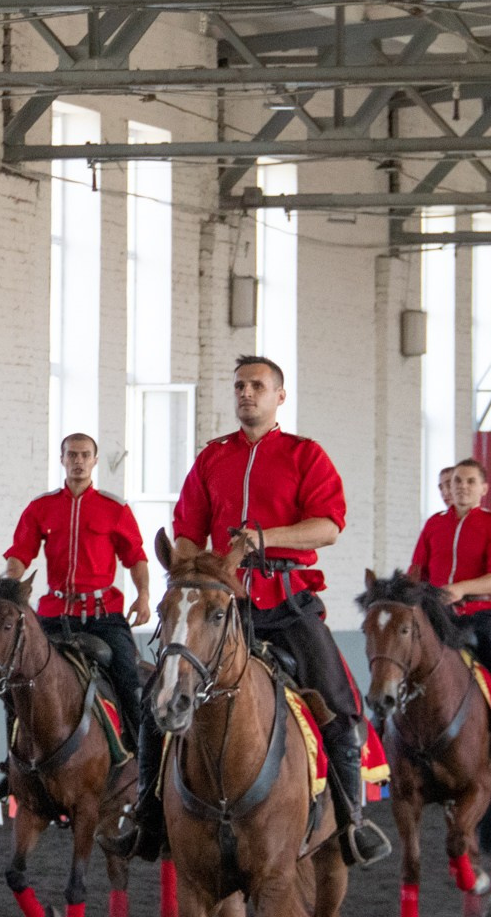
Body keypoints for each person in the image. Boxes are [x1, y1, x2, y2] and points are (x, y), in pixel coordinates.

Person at [108, 355, 391, 868]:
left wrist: (264, 538)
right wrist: (195, 568)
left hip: (287, 604)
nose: (246, 393)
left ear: (279, 396)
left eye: (257, 386)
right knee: (158, 698)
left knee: (338, 702)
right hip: (222, 606)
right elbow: (189, 528)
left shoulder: (306, 456)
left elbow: (328, 526)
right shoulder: (213, 457)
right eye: (240, 386)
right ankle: (149, 817)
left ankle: (352, 820)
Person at [0, 433, 151, 750]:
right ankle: (14, 759)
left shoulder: (115, 509)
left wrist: (144, 595)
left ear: (95, 461)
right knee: (15, 679)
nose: (78, 461)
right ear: (62, 459)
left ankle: (139, 757)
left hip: (104, 615)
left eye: (84, 455)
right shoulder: (42, 507)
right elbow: (20, 553)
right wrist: (10, 582)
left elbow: (135, 557)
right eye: (72, 455)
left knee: (128, 679)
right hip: (55, 615)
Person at [408, 458, 491, 775]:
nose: (462, 487)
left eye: (469, 482)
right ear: (448, 487)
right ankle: (392, 729)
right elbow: (417, 572)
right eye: (456, 482)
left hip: (480, 612)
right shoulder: (434, 524)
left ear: (483, 489)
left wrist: (461, 588)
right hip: (437, 613)